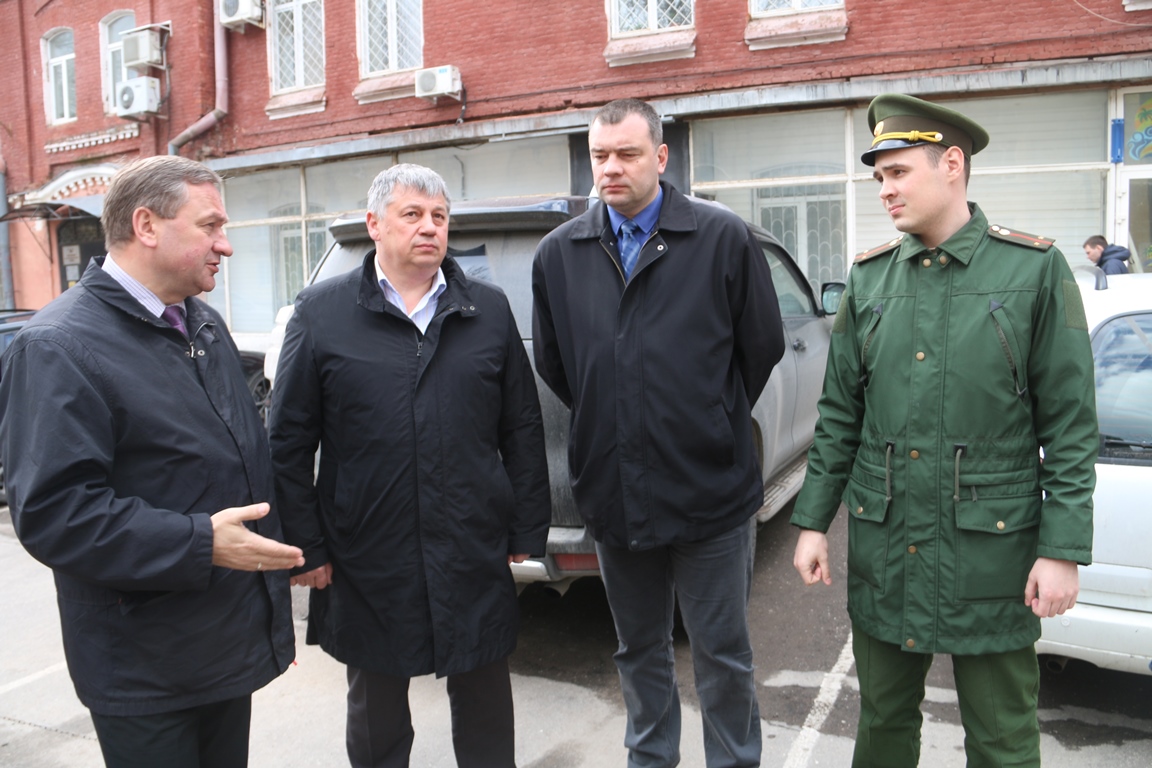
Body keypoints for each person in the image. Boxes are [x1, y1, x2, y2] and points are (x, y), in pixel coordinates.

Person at [791, 94, 1097, 767]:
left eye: (898, 172)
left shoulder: (1031, 272)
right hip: (888, 546)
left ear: (951, 164)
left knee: (1003, 739)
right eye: (878, 177)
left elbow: (1071, 426)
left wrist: (1064, 548)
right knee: (883, 725)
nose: (885, 190)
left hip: (992, 553)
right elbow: (840, 415)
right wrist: (813, 522)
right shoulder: (870, 283)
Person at [0, 155, 303, 768]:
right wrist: (201, 543)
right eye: (210, 225)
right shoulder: (58, 345)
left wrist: (266, 610)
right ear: (146, 225)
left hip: (219, 648)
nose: (226, 245)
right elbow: (56, 514)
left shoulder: (203, 324)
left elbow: (238, 464)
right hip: (142, 669)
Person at [268, 163, 550, 768]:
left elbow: (521, 426)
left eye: (440, 217)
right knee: (377, 706)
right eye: (413, 215)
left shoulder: (488, 310)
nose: (430, 228)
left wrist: (528, 524)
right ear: (374, 224)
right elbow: (288, 439)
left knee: (483, 693)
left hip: (470, 539)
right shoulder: (321, 313)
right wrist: (306, 546)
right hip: (365, 546)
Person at [531, 98, 785, 768]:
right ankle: (651, 759)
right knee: (637, 650)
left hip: (710, 496)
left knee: (721, 654)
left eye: (627, 153)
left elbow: (761, 347)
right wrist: (616, 419)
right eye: (599, 156)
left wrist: (701, 417)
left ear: (662, 157)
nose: (610, 168)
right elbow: (558, 365)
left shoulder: (720, 239)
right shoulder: (560, 254)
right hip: (616, 497)